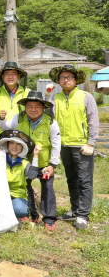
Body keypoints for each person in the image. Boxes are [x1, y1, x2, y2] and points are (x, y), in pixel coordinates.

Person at [0, 90, 61, 231]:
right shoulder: (18, 118)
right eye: (30, 106)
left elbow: (56, 145)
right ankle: (32, 214)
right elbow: (5, 128)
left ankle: (49, 219)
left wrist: (52, 165)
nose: (33, 109)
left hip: (44, 162)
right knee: (26, 186)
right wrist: (1, 119)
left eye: (37, 106)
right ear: (25, 107)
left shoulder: (51, 122)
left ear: (43, 108)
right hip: (24, 161)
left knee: (47, 188)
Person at [46, 64, 99, 230]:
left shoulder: (86, 97)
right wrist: (47, 96)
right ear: (59, 80)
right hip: (63, 145)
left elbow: (93, 120)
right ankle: (75, 209)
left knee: (84, 180)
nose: (66, 80)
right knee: (72, 179)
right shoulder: (56, 97)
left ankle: (83, 215)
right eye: (63, 77)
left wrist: (91, 143)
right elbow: (48, 115)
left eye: (69, 77)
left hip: (82, 145)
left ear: (76, 80)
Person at [0, 130, 42, 227]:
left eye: (18, 144)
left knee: (20, 211)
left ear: (22, 148)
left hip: (17, 195)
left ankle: (15, 218)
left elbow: (32, 175)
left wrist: (36, 155)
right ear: (7, 145)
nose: (14, 146)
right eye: (12, 143)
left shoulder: (24, 163)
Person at [0, 62, 30, 146]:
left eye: (13, 74)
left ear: (19, 76)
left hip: (21, 136)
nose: (10, 77)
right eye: (7, 74)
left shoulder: (27, 92)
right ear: (2, 77)